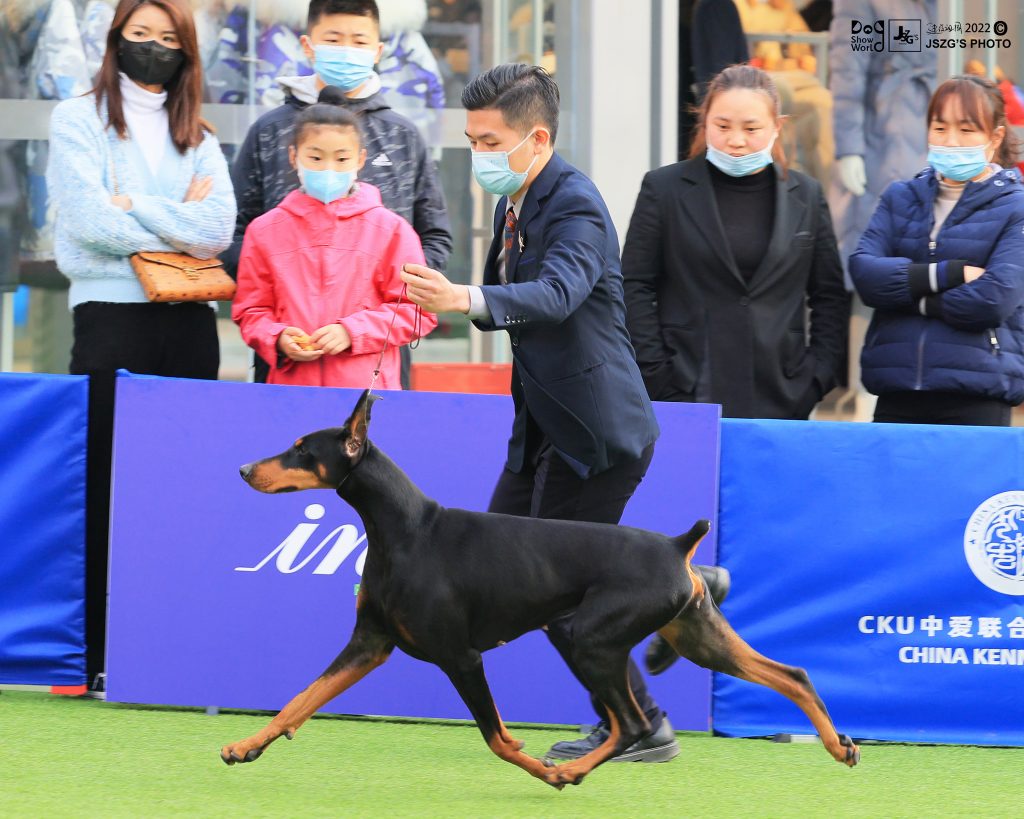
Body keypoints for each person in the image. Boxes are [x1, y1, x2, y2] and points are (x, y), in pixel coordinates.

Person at [400, 63, 727, 764]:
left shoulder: (576, 204)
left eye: (490, 142)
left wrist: (465, 299)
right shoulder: (512, 203)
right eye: (472, 141)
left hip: (597, 436)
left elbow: (556, 295)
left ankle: (642, 723)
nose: (478, 155)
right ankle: (687, 593)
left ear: (538, 139)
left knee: (547, 593)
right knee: (496, 572)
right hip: (542, 431)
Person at [46, 0, 235, 690]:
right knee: (104, 481)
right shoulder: (77, 119)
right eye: (140, 34)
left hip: (190, 322)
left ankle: (172, 652)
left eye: (167, 38)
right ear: (116, 39)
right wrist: (177, 220)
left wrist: (137, 206)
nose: (153, 47)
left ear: (187, 50)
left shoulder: (198, 133)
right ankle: (97, 654)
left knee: (183, 486)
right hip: (111, 315)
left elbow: (218, 231)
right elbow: (89, 222)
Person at [225, 0, 451, 388]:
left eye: (358, 41)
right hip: (286, 363)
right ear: (308, 45)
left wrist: (383, 290)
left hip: (375, 361)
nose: (346, 50)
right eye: (333, 39)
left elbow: (435, 235)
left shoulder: (402, 135)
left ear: (378, 50)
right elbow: (235, 230)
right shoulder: (269, 130)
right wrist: (277, 309)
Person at [622, 64, 848, 421]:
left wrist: (816, 377)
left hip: (782, 392)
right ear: (704, 123)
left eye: (751, 128)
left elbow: (829, 294)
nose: (736, 140)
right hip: (687, 387)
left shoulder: (806, 195)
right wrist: (657, 375)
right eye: (723, 126)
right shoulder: (664, 189)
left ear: (776, 127)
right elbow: (633, 285)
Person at [849, 75, 1024, 426]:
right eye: (940, 128)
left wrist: (910, 299)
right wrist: (950, 273)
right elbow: (865, 275)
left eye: (966, 129)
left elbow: (993, 299)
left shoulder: (1015, 207)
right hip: (896, 393)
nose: (951, 141)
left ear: (995, 137)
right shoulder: (900, 197)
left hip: (977, 397)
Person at [232, 103, 435, 387]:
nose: (328, 169)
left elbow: (417, 311)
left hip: (366, 391)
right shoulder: (264, 231)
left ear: (360, 159)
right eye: (315, 157)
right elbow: (250, 310)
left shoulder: (392, 230)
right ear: (294, 157)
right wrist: (277, 337)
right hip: (292, 388)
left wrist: (353, 332)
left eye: (341, 159)